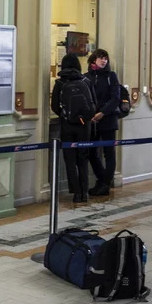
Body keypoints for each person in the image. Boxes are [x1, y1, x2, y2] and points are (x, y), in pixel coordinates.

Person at [51, 54, 96, 203]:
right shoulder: (86, 81)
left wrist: (67, 116)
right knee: (82, 158)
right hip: (84, 126)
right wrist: (82, 118)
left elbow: (55, 106)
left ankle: (76, 193)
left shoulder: (59, 83)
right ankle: (85, 192)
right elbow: (93, 103)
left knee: (70, 160)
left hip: (67, 125)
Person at [85, 48, 120, 197]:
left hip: (108, 119)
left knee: (109, 153)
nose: (104, 60)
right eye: (101, 58)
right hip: (92, 121)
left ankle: (105, 184)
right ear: (94, 60)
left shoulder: (111, 76)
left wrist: (102, 113)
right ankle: (102, 179)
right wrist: (91, 114)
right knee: (91, 152)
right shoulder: (87, 77)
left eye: (105, 58)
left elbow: (115, 98)